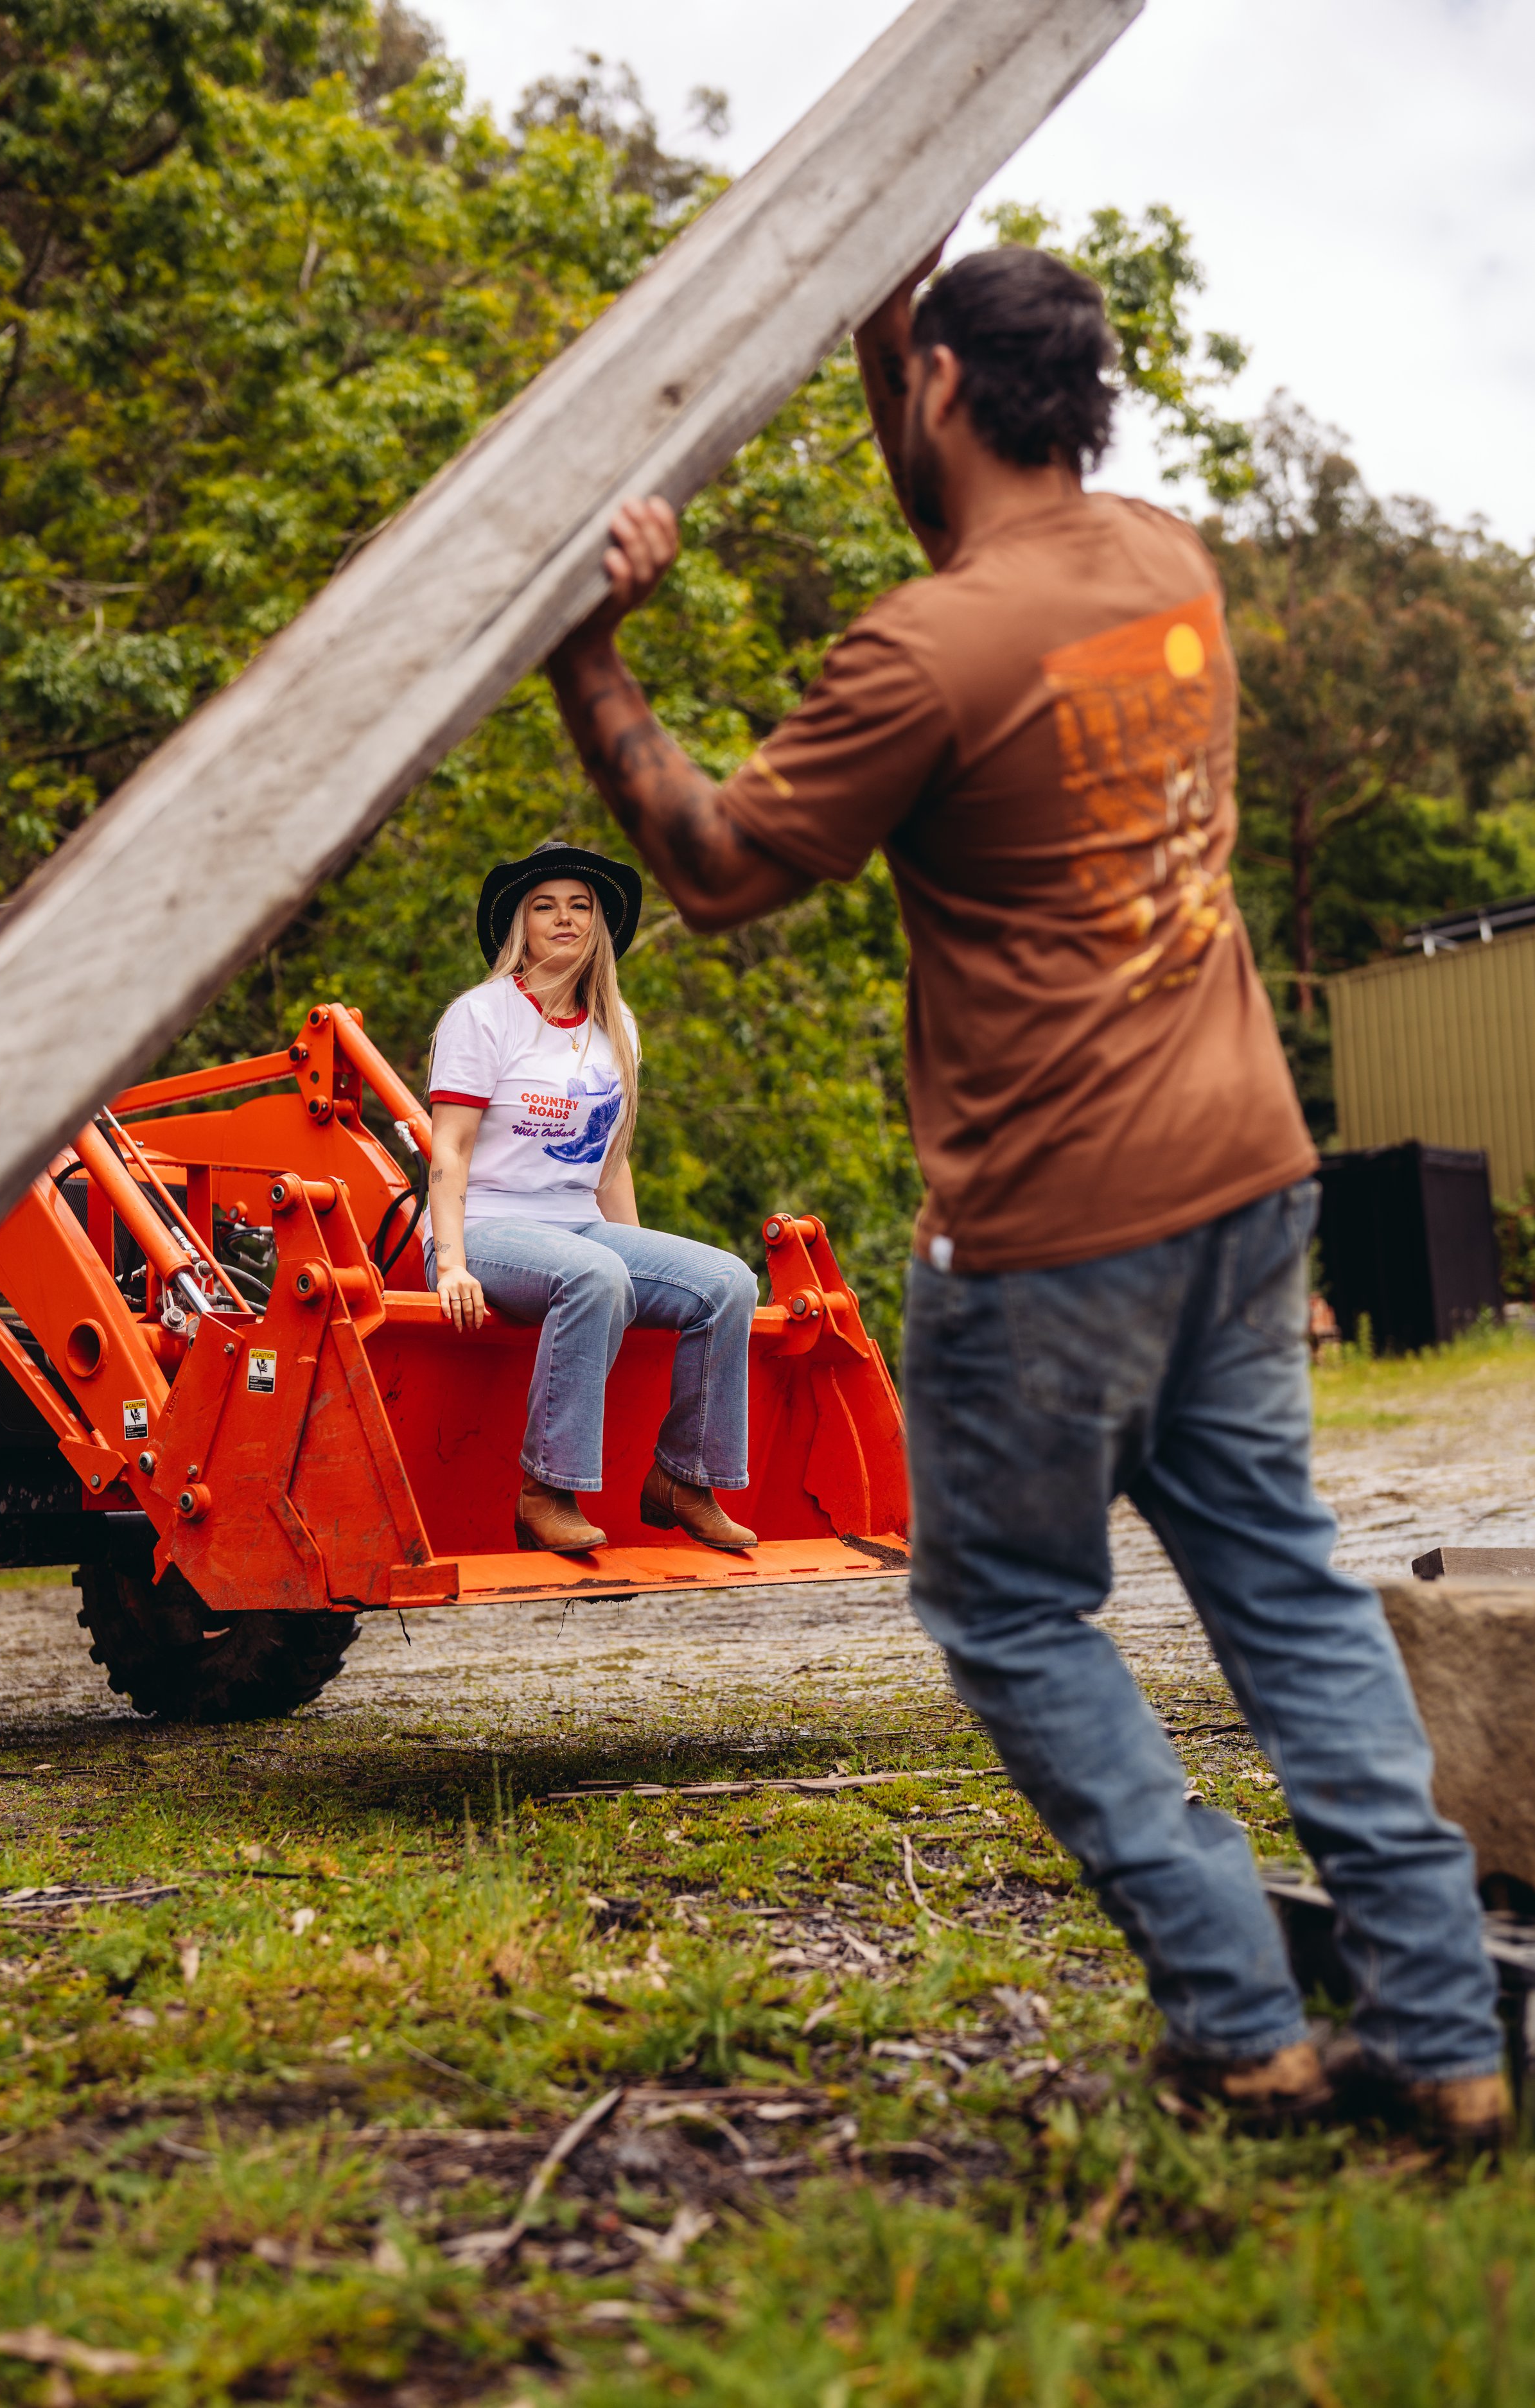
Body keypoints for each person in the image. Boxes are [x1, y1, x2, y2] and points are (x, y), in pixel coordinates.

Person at [541, 245, 1509, 2144]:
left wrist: (587, 657)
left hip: (1051, 1234)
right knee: (1283, 1590)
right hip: (1240, 1181)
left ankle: (1239, 2012)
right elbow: (970, 539)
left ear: (940, 400)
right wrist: (881, 306)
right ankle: (1442, 2028)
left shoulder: (916, 655)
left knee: (1004, 1611)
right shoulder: (1160, 565)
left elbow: (720, 866)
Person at [425, 840, 759, 1557]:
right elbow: (447, 1149)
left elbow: (611, 1161)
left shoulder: (617, 1025)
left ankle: (684, 1479)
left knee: (726, 1281)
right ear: (521, 925)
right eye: (545, 906)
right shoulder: (482, 1017)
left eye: (580, 906)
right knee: (594, 1274)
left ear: (600, 925)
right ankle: (545, 1491)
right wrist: (450, 1263)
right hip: (483, 1227)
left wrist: (646, 1264)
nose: (565, 919)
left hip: (578, 1226)